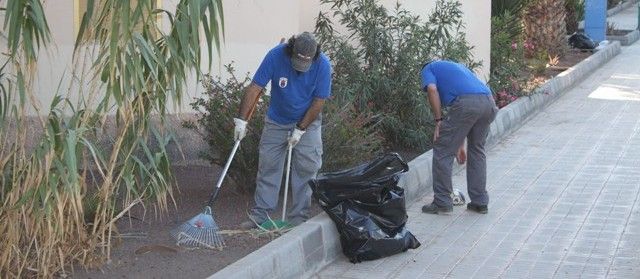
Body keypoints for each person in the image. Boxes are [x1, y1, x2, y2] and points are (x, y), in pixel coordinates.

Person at [234, 32, 332, 229]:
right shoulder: (276, 55)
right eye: (297, 60)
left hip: (308, 121)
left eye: (306, 62)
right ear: (291, 50)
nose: (301, 66)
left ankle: (298, 219)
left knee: (307, 167)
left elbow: (319, 102)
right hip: (277, 120)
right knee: (268, 165)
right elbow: (255, 88)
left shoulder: (323, 65)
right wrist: (241, 121)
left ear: (313, 57)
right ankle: (260, 215)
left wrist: (300, 130)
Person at [420, 60, 498, 215]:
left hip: (467, 104)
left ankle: (442, 201)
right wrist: (459, 145)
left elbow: (432, 89)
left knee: (442, 150)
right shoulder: (458, 67)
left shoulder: (428, 69)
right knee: (477, 150)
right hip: (488, 102)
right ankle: (480, 202)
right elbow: (461, 119)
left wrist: (438, 120)